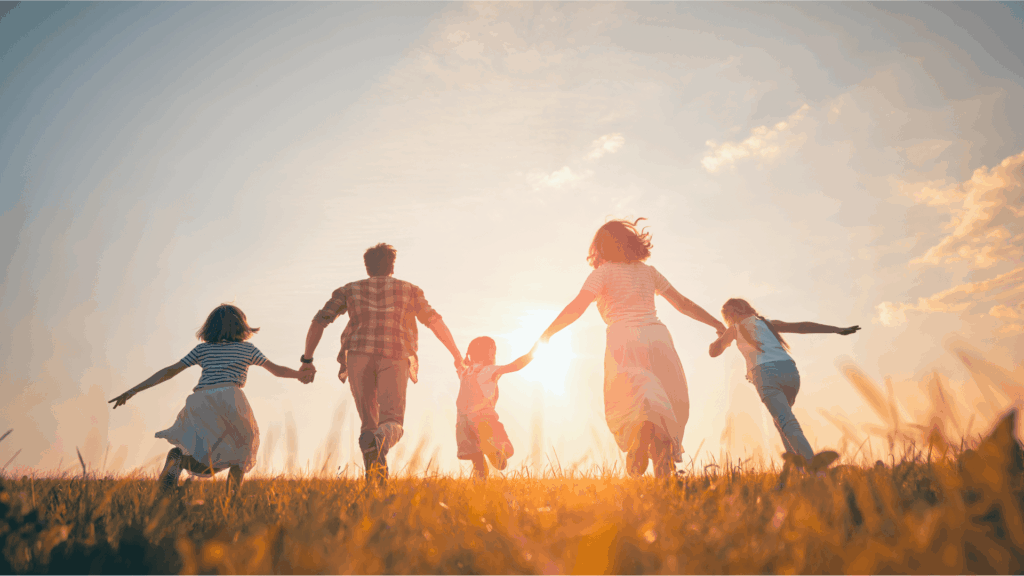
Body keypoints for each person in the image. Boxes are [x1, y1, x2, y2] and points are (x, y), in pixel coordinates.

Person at [536, 218, 725, 478]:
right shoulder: (649, 272)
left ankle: (640, 434)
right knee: (666, 402)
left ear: (600, 248)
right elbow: (683, 304)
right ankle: (664, 473)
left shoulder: (601, 273)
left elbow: (577, 307)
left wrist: (547, 334)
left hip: (623, 339)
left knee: (632, 400)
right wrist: (717, 324)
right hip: (658, 338)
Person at [109, 304, 312, 496]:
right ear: (242, 326)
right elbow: (277, 371)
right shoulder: (248, 349)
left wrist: (134, 390)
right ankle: (231, 499)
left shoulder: (203, 350)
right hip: (231, 398)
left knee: (202, 449)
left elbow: (170, 371)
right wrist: (300, 374)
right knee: (242, 450)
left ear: (210, 327)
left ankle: (177, 461)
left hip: (201, 400)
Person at [301, 243, 462, 483]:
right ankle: (378, 452)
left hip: (358, 356)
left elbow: (319, 321)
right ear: (392, 266)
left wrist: (307, 359)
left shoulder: (349, 290)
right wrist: (456, 354)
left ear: (367, 267)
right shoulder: (409, 290)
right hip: (394, 354)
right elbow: (434, 321)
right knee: (392, 421)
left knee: (370, 422)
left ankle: (376, 482)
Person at [708, 298, 859, 463]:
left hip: (765, 374)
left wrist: (721, 336)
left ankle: (814, 470)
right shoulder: (766, 323)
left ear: (731, 314)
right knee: (782, 423)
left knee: (786, 423)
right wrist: (837, 329)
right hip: (790, 372)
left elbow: (713, 352)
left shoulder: (734, 329)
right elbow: (802, 326)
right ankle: (798, 469)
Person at [455, 337, 533, 479]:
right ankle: (491, 445)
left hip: (463, 424)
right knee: (503, 458)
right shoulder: (489, 370)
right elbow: (515, 366)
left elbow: (457, 363)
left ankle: (480, 491)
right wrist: (533, 352)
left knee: (478, 464)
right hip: (484, 420)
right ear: (491, 355)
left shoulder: (465, 372)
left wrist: (464, 360)